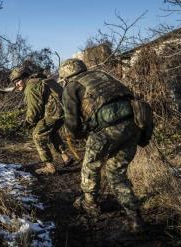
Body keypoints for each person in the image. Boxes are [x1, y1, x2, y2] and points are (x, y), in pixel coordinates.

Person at [59, 58, 145, 232]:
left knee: (90, 165)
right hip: (134, 123)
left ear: (65, 75)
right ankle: (135, 217)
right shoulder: (102, 75)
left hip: (106, 129)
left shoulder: (71, 86)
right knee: (116, 172)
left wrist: (79, 134)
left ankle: (90, 203)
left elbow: (72, 121)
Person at [10, 65, 72, 175]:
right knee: (50, 131)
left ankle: (50, 167)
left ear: (25, 78)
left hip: (54, 114)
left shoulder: (30, 86)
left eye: (18, 81)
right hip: (64, 112)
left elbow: (34, 111)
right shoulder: (40, 80)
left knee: (37, 135)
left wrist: (28, 123)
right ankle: (66, 157)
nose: (16, 84)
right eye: (14, 82)